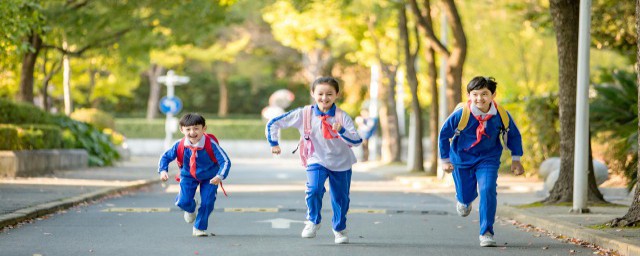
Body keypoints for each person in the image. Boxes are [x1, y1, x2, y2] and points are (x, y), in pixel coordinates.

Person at [265, 76, 362, 244]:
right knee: (314, 189)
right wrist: (274, 143)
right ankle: (313, 220)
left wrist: (342, 131)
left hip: (341, 163)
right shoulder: (304, 114)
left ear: (337, 95)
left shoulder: (342, 117)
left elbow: (357, 140)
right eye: (320, 94)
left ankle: (339, 229)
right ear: (313, 93)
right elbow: (274, 123)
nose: (324, 98)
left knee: (341, 198)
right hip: (316, 159)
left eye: (329, 94)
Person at [438, 76, 524, 247]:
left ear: (493, 95)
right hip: (461, 159)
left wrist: (516, 159)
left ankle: (486, 232)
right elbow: (444, 134)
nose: (479, 99)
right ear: (469, 95)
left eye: (484, 94)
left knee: (487, 189)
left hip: (488, 158)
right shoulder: (461, 114)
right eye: (475, 94)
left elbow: (513, 135)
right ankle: (463, 200)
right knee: (465, 194)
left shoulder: (501, 114)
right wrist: (445, 160)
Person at [158, 113, 231, 237]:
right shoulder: (179, 145)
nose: (192, 132)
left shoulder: (211, 144)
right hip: (187, 176)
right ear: (182, 130)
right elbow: (165, 157)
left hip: (210, 177)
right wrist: (163, 171)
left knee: (208, 202)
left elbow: (225, 161)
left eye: (196, 128)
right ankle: (190, 208)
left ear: (204, 128)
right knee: (182, 201)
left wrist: (219, 176)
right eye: (188, 129)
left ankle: (199, 227)